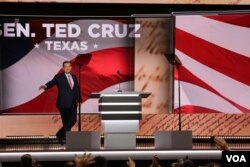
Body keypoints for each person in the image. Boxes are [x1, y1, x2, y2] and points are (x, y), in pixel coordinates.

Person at [39, 61, 82, 145]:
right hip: (63, 103)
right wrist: (45, 86)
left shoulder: (74, 77)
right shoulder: (59, 76)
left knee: (73, 120)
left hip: (73, 103)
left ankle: (59, 134)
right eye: (66, 66)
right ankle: (66, 139)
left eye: (69, 66)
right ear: (63, 68)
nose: (68, 68)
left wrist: (79, 99)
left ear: (71, 67)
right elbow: (52, 82)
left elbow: (76, 89)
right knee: (66, 122)